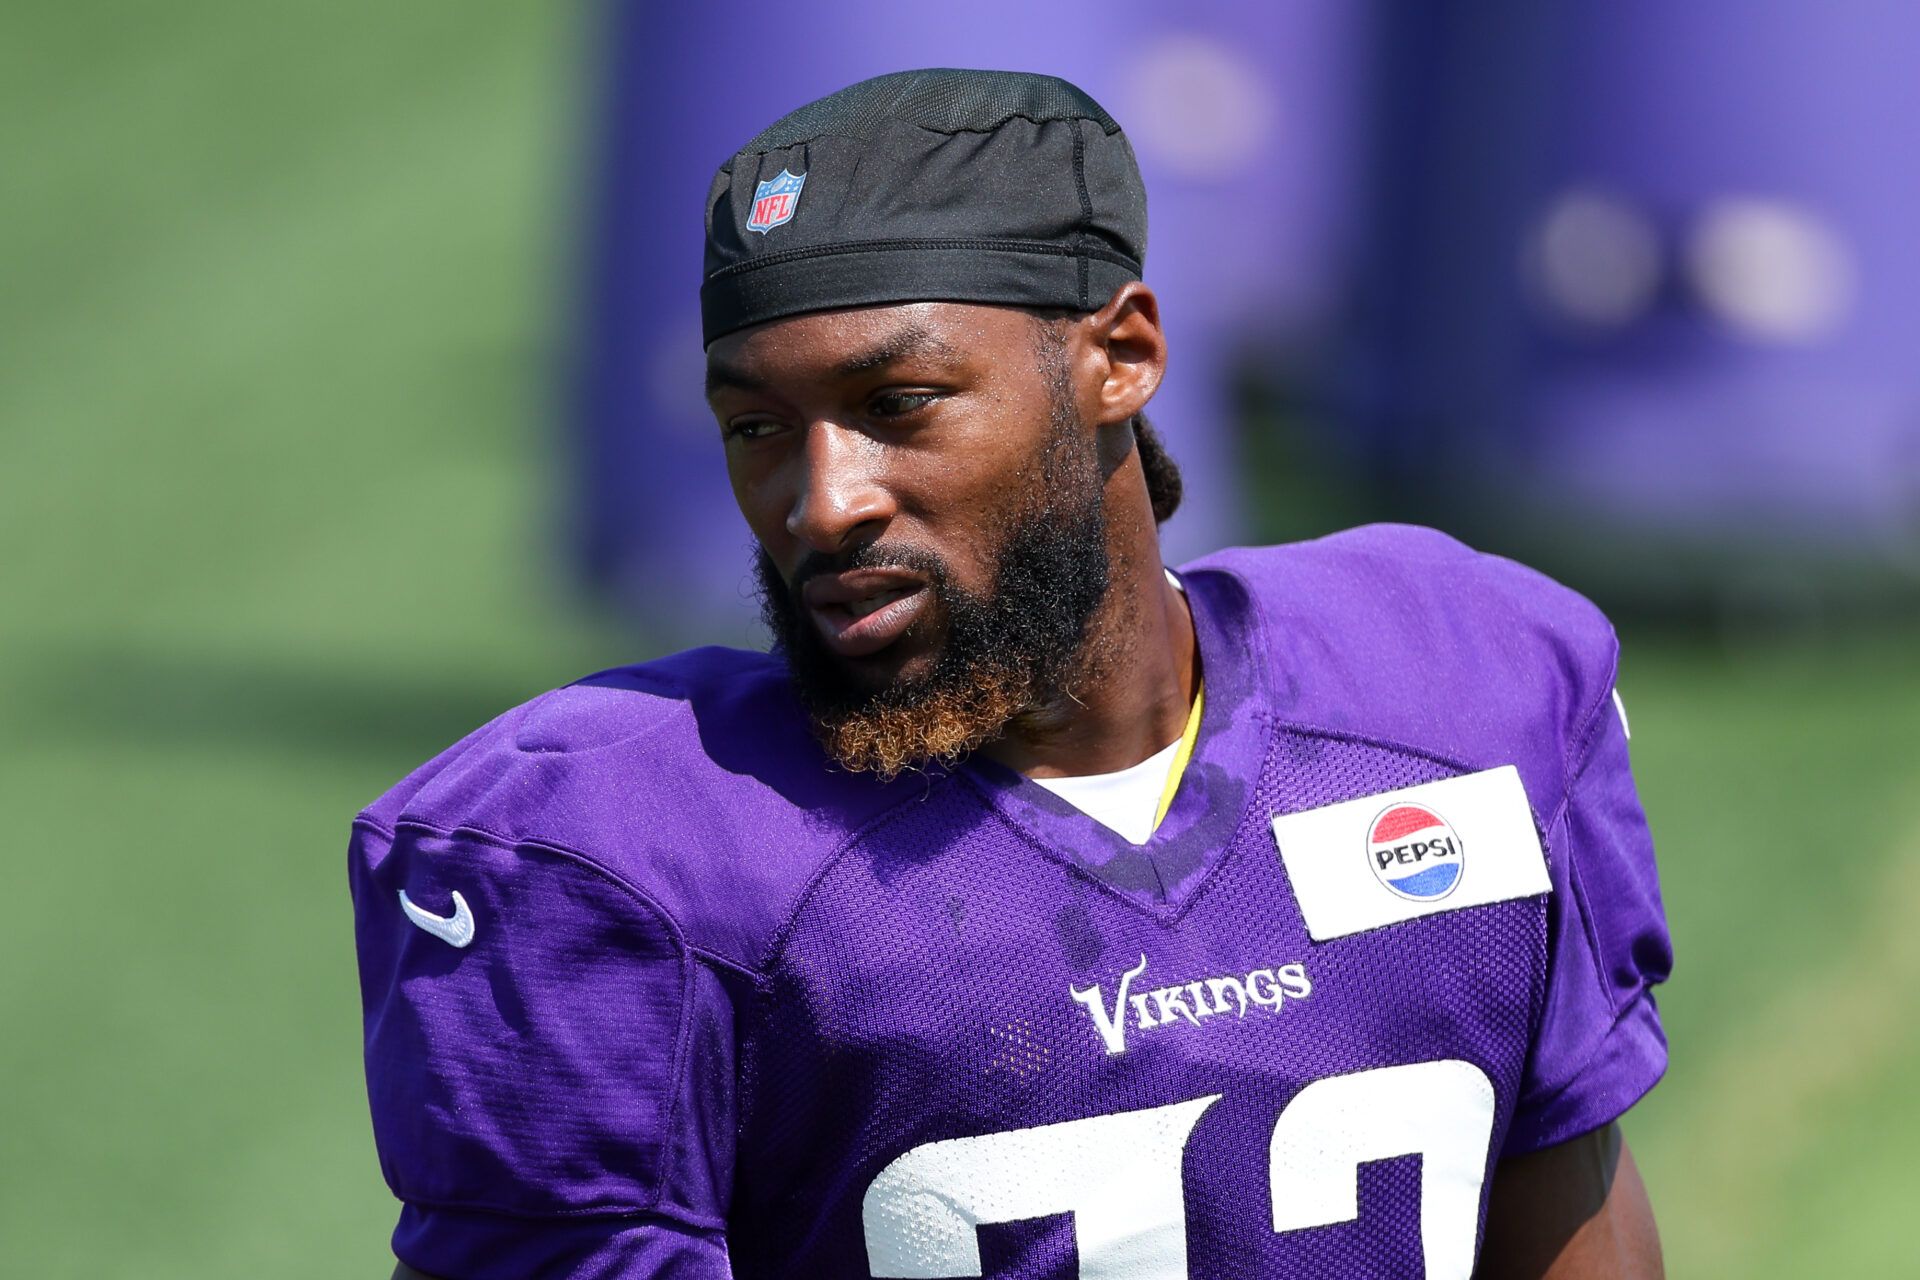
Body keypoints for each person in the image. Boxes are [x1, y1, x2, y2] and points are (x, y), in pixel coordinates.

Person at [352, 69, 1672, 1279]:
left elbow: (1569, 1214)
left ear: (1122, 357)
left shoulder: (1458, 691)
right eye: (757, 426)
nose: (824, 501)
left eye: (900, 404)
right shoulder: (614, 868)